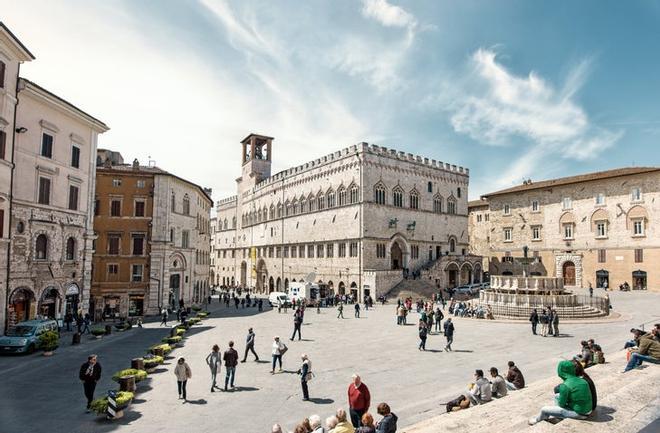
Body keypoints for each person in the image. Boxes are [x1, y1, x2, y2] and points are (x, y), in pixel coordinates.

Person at [528, 360, 592, 425]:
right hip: (588, 411)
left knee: (544, 409)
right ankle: (557, 416)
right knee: (557, 396)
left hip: (579, 414)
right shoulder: (583, 381)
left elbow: (562, 404)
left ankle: (536, 421)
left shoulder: (565, 386)